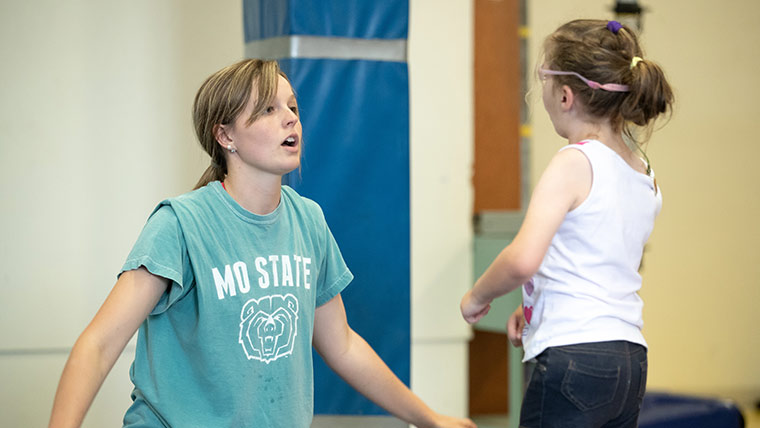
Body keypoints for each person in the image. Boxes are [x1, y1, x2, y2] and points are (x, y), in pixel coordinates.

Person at [49, 59, 476, 428]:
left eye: (292, 107)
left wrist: (429, 418)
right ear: (225, 136)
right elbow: (99, 345)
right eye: (269, 110)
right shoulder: (179, 224)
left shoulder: (307, 221)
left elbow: (343, 345)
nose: (291, 119)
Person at [461, 19, 674, 428]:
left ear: (564, 94)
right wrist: (538, 307)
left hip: (573, 355)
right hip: (628, 359)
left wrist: (477, 296)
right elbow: (592, 259)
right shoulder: (643, 172)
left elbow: (523, 259)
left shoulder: (574, 162)